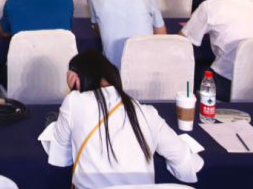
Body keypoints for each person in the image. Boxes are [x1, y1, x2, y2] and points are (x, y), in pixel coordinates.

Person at [40, 50, 202, 188]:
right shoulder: (147, 112)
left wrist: (73, 91)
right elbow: (184, 161)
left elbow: (61, 156)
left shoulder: (74, 101)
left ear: (77, 78)